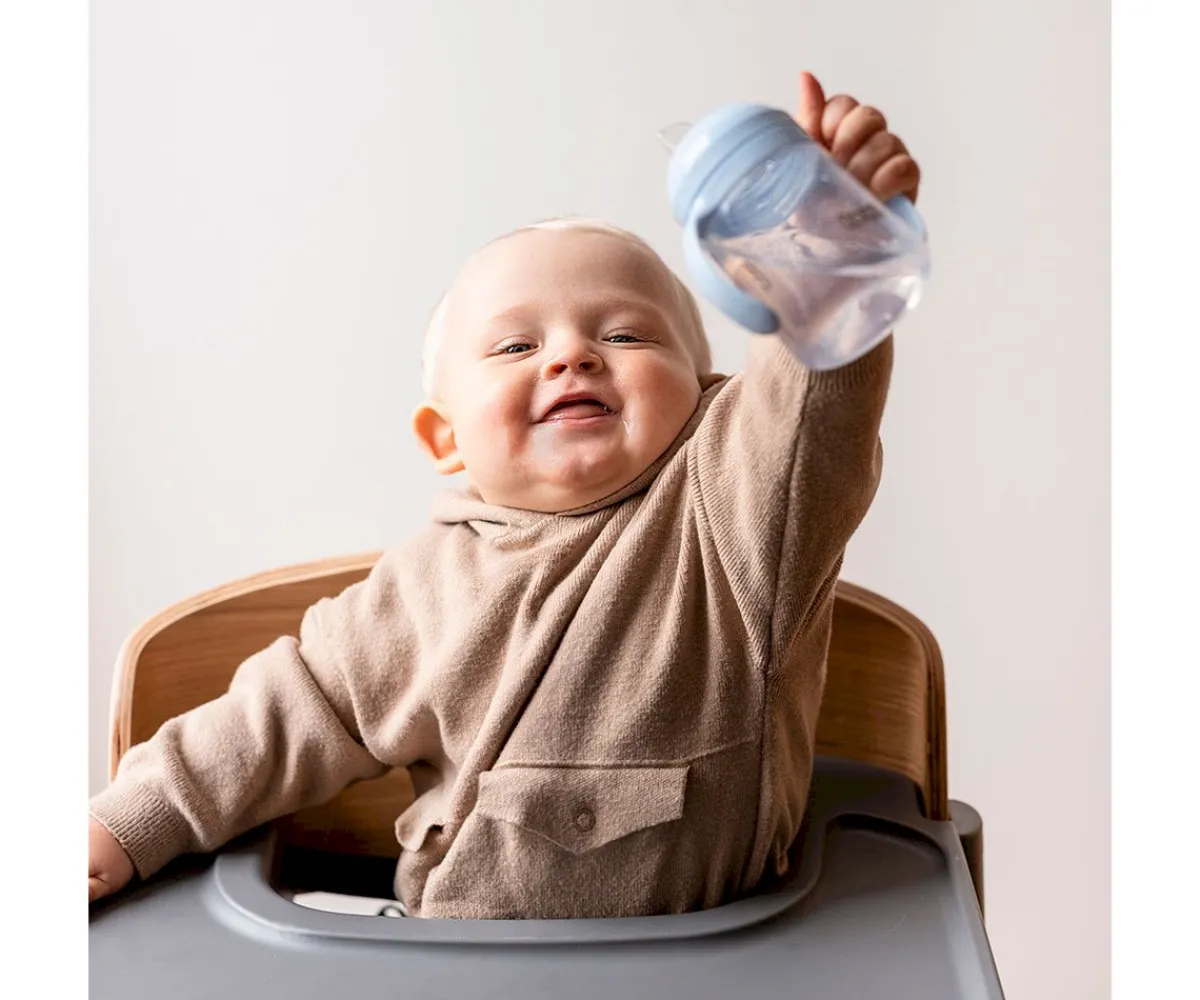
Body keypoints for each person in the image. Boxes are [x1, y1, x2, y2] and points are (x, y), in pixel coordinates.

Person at [89, 71, 920, 918]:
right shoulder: (415, 594)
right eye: (516, 346)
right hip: (453, 960)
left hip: (697, 970)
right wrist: (124, 827)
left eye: (625, 333)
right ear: (445, 438)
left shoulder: (734, 513)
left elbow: (811, 408)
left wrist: (826, 252)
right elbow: (280, 718)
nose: (572, 356)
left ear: (708, 392)